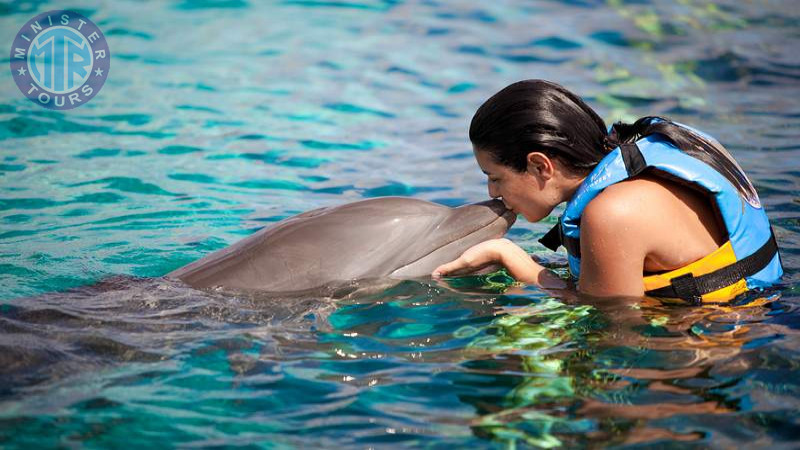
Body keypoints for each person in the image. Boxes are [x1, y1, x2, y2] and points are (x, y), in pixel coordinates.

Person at [432, 79, 783, 304]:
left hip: (726, 342)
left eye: (495, 177)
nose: (492, 192)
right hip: (761, 312)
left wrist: (513, 258)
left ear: (541, 165)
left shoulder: (613, 213)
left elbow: (611, 327)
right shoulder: (657, 153)